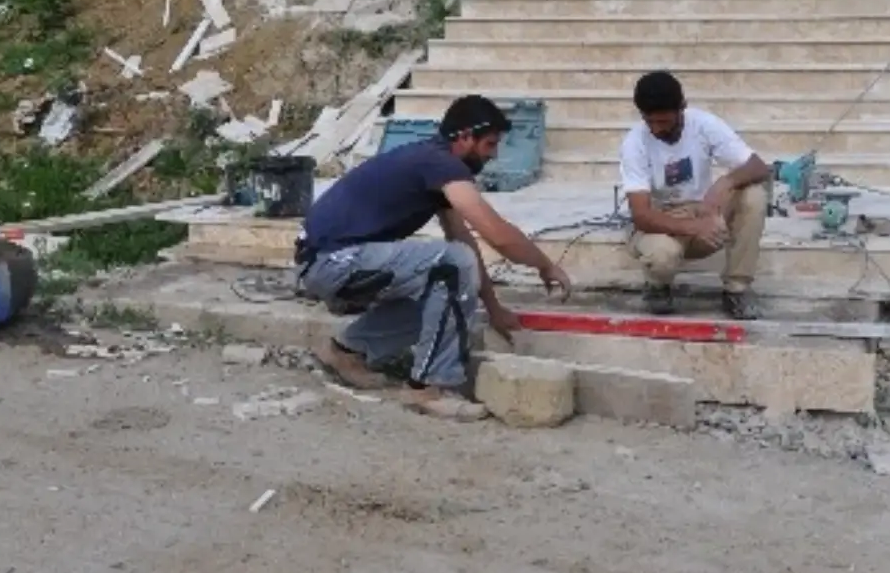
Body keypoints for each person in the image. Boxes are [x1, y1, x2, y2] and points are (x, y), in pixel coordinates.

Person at [296, 94, 573, 420]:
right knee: (451, 263)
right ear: (465, 136)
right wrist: (546, 265)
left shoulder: (432, 164)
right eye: (489, 144)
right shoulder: (441, 164)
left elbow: (464, 242)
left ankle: (346, 353)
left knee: (443, 286)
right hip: (333, 261)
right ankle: (428, 388)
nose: (493, 154)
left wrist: (494, 308)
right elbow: (495, 233)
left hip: (327, 262)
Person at [619, 70, 770, 319]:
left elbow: (759, 167)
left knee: (754, 195)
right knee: (661, 256)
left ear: (683, 108)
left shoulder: (703, 124)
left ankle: (737, 289)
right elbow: (641, 216)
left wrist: (725, 183)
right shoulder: (635, 143)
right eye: (651, 122)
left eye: (664, 122)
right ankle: (657, 288)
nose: (657, 130)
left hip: (702, 211)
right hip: (659, 224)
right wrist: (694, 227)